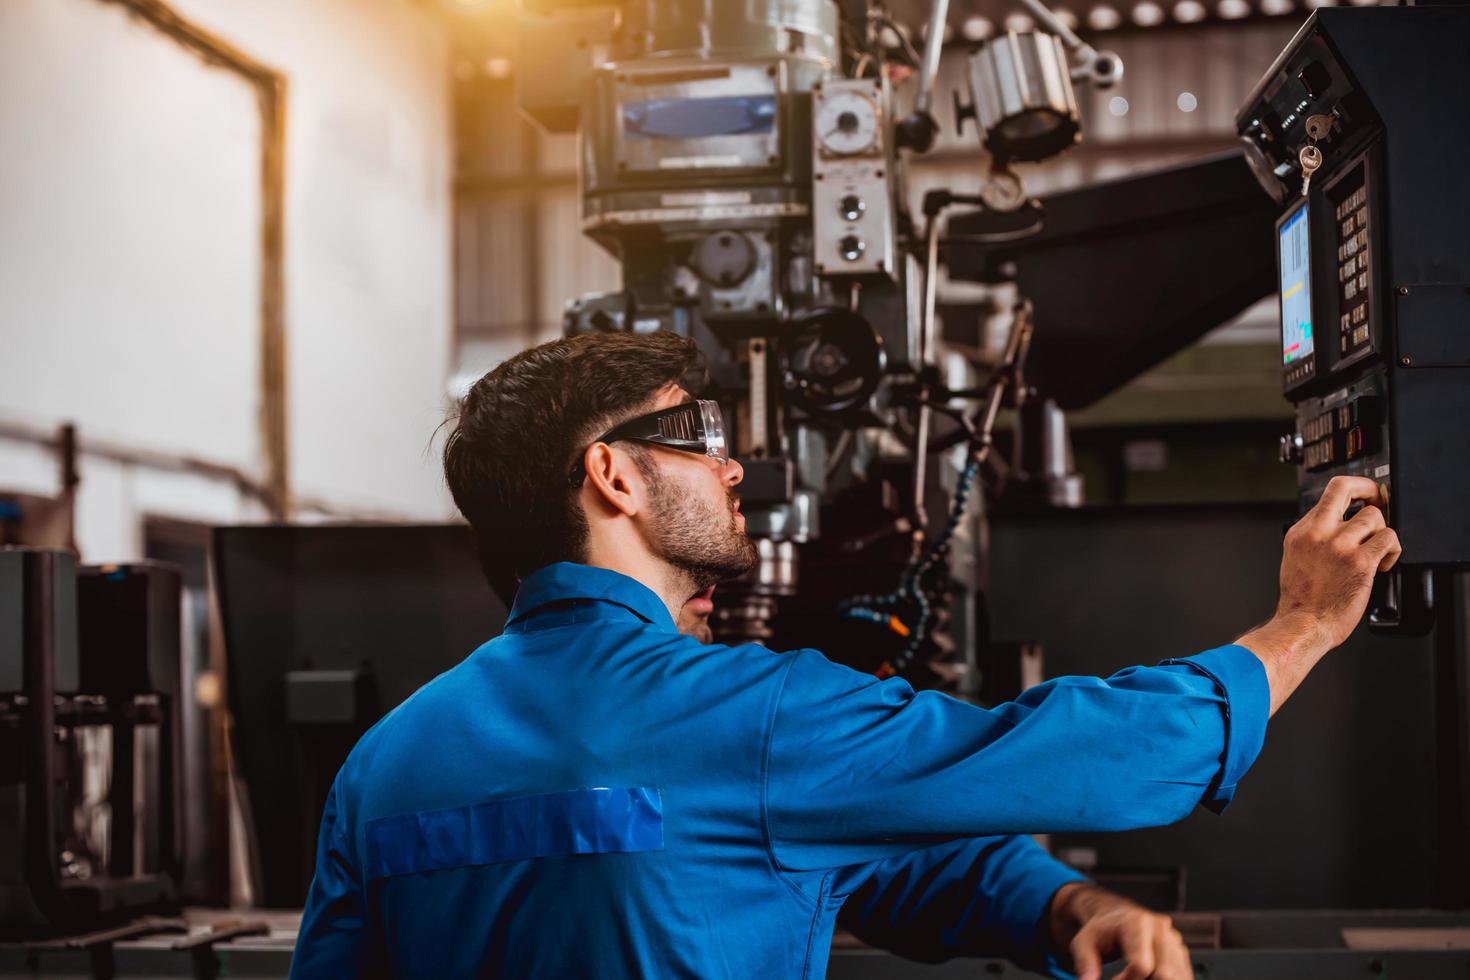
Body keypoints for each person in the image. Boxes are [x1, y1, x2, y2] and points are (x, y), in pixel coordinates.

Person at [290, 331, 1400, 980]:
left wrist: (1057, 904)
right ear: (614, 477)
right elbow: (1091, 756)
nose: (734, 472)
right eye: (700, 441)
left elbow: (798, 848)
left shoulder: (382, 764)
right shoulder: (755, 716)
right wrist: (1301, 622)